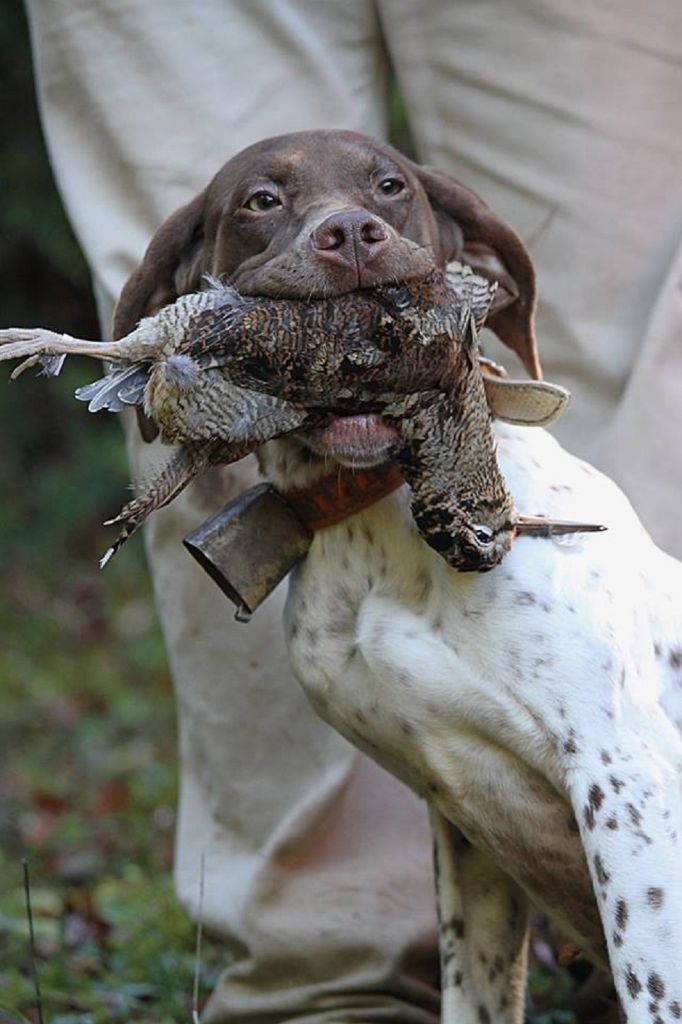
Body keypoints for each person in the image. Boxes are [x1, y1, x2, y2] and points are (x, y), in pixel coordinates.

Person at [25, 2, 682, 1021]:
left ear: (466, 261)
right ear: (181, 291)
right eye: (266, 205)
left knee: (620, 285)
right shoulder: (328, 624)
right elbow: (475, 806)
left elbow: (631, 783)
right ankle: (325, 988)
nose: (343, 226)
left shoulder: (544, 540)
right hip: (331, 532)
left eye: (383, 199)